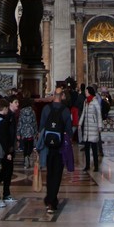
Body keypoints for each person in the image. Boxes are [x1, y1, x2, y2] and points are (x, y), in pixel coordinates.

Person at [37, 86, 73, 214]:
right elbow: (69, 131)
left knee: (49, 172)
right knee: (57, 174)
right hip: (60, 147)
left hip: (47, 146)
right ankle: (52, 201)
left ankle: (49, 198)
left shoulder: (46, 109)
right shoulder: (65, 111)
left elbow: (41, 127)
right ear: (62, 96)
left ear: (53, 95)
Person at [80, 85, 102, 172]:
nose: (85, 93)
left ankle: (96, 166)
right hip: (87, 128)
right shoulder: (85, 101)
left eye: (86, 91)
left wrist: (99, 126)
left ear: (89, 92)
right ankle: (87, 165)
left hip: (93, 127)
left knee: (94, 149)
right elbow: (83, 113)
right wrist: (80, 123)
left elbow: (99, 114)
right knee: (86, 149)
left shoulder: (95, 101)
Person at [17, 96, 38, 168]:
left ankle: (25, 157)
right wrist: (36, 132)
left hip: (24, 130)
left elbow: (20, 122)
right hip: (31, 130)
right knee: (30, 146)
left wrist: (18, 133)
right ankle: (28, 156)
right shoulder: (32, 111)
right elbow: (34, 122)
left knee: (25, 146)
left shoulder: (21, 111)